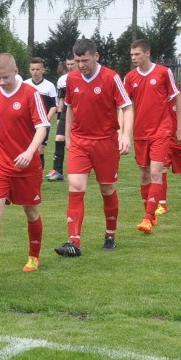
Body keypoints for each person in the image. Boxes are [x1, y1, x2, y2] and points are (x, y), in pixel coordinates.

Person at [55, 39, 132, 257]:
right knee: (76, 187)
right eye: (77, 61)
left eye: (85, 60)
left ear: (95, 57)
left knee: (107, 189)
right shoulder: (71, 79)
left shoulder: (111, 77)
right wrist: (68, 136)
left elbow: (126, 108)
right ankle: (74, 242)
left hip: (106, 141)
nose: (81, 65)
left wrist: (125, 135)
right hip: (80, 141)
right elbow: (69, 108)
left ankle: (110, 235)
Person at [0, 53, 49, 273]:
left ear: (16, 72)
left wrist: (30, 152)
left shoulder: (31, 94)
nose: (1, 82)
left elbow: (42, 126)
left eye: (5, 77)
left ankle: (34, 256)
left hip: (27, 167)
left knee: (31, 212)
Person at [123, 39, 181, 233]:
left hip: (161, 131)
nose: (134, 58)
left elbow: (177, 98)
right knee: (144, 173)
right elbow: (123, 105)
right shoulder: (130, 77)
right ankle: (149, 213)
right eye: (132, 55)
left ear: (147, 53)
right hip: (140, 132)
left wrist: (179, 126)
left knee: (156, 172)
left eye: (137, 54)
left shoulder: (164, 72)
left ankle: (148, 218)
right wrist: (122, 132)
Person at [24, 56, 57, 171]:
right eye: (32, 69)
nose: (35, 72)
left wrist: (46, 119)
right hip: (27, 124)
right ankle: (26, 171)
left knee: (40, 149)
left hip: (42, 124)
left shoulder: (50, 86)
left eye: (38, 69)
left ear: (43, 70)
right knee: (26, 148)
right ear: (29, 70)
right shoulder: (25, 85)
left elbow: (54, 105)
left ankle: (38, 174)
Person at [47, 56, 77, 182]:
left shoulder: (83, 77)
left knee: (80, 140)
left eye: (72, 64)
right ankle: (57, 171)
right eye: (68, 64)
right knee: (59, 138)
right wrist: (59, 117)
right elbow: (61, 100)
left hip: (81, 111)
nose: (70, 66)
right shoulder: (62, 80)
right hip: (66, 111)